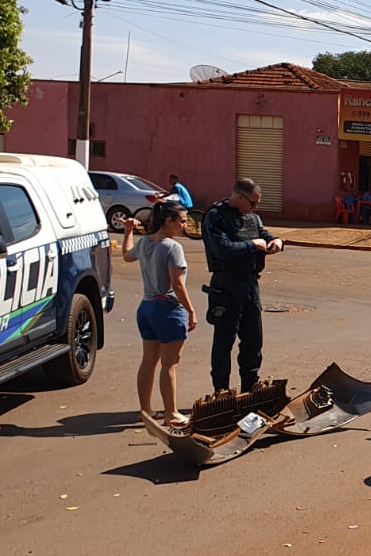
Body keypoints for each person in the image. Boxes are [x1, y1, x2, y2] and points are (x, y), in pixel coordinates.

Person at [202, 178, 283, 393]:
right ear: (238, 196)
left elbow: (263, 234)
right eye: (252, 203)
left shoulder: (252, 217)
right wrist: (251, 245)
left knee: (252, 340)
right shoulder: (216, 217)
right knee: (224, 341)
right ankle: (221, 391)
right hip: (226, 285)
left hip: (250, 284)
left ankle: (250, 386)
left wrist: (277, 242)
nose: (254, 208)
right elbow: (222, 249)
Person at [121, 200, 197, 427]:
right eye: (182, 221)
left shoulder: (145, 242)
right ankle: (171, 413)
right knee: (169, 364)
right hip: (167, 308)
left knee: (148, 361)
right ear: (169, 221)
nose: (184, 226)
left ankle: (145, 410)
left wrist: (128, 232)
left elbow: (126, 255)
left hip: (146, 307)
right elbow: (177, 284)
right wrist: (191, 310)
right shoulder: (172, 247)